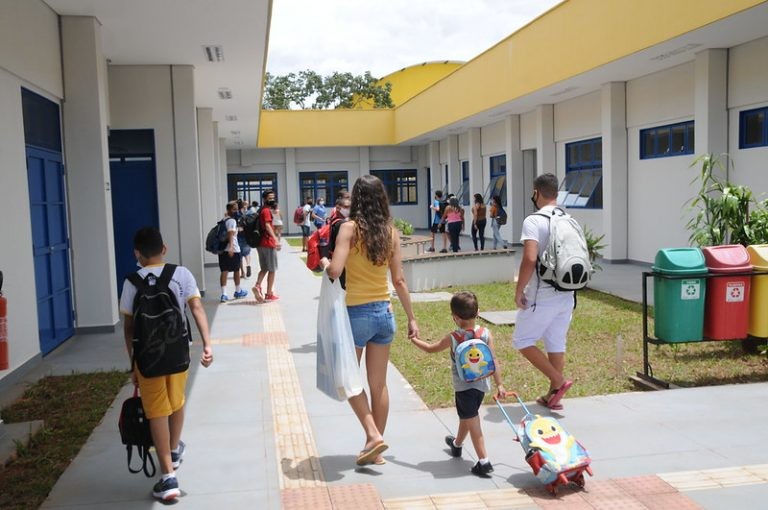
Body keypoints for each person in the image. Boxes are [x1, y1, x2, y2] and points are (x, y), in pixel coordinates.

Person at [321, 175, 420, 466]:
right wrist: (412, 318)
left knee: (348, 381)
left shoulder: (349, 229)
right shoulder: (391, 232)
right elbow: (399, 280)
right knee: (379, 385)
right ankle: (374, 449)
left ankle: (373, 435)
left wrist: (325, 263)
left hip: (356, 315)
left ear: (356, 198)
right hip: (384, 314)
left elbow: (335, 271)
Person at [120, 227, 213, 501]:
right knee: (177, 402)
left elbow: (128, 328)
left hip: (148, 360)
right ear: (165, 249)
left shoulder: (130, 282)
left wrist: (133, 364)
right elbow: (196, 308)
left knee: (156, 413)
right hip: (179, 354)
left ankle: (168, 477)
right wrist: (207, 344)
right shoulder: (181, 274)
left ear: (137, 254)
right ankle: (172, 450)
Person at [410, 290, 504, 477]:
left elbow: (430, 349)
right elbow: (493, 360)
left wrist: (414, 340)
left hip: (463, 387)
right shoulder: (486, 334)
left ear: (455, 317)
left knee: (472, 419)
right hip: (481, 386)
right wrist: (500, 384)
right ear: (478, 313)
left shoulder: (454, 338)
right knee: (467, 416)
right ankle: (457, 445)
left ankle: (484, 461)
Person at [513, 173, 574, 410]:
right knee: (555, 342)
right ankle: (553, 396)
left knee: (522, 340)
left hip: (543, 293)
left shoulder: (534, 220)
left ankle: (558, 381)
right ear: (556, 193)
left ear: (536, 193)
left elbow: (529, 259)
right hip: (567, 293)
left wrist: (519, 290)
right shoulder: (568, 218)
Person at [252, 189, 281, 303]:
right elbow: (268, 226)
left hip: (260, 243)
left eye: (273, 197)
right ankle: (269, 293)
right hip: (268, 243)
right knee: (272, 269)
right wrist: (276, 239)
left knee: (264, 268)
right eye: (270, 198)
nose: (272, 200)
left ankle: (258, 285)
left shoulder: (261, 210)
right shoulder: (266, 211)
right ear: (264, 199)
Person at [219, 201, 248, 302]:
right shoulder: (232, 221)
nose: (236, 211)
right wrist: (231, 247)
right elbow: (230, 234)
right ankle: (238, 291)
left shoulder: (224, 220)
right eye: (234, 209)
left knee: (224, 271)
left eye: (237, 209)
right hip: (234, 249)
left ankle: (224, 294)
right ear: (229, 210)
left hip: (222, 250)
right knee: (236, 270)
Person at [237, 200, 252, 279]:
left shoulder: (238, 213)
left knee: (239, 255)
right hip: (247, 236)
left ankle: (242, 272)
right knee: (247, 253)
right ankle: (248, 265)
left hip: (239, 236)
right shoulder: (250, 213)